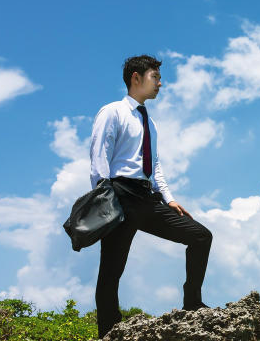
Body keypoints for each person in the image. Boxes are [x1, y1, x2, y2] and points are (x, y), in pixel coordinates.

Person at [90, 54, 213, 338]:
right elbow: (99, 159)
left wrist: (168, 197)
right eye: (155, 77)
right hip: (118, 195)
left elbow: (154, 164)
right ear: (136, 78)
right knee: (110, 272)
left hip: (146, 198)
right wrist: (104, 200)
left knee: (200, 236)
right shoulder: (112, 112)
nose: (160, 83)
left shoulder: (150, 123)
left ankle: (192, 303)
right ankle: (108, 332)